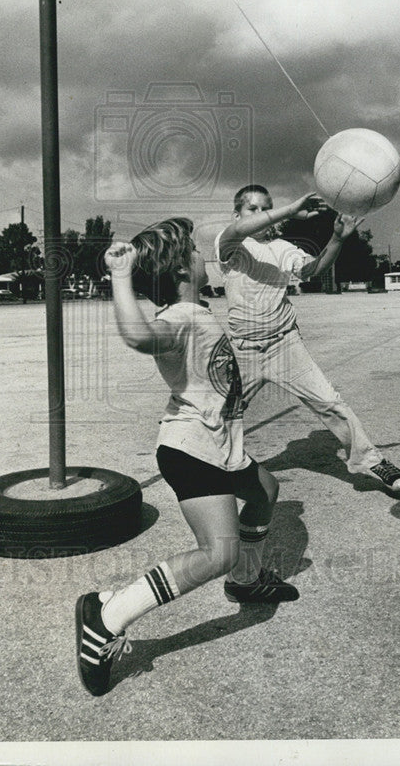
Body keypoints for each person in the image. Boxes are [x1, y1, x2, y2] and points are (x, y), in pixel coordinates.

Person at [76, 217, 298, 698]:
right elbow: (138, 338)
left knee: (266, 491)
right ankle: (106, 615)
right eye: (196, 251)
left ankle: (245, 581)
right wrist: (119, 276)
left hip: (216, 444)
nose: (204, 257)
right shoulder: (181, 316)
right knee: (217, 552)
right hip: (191, 449)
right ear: (181, 267)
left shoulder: (197, 312)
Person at [214, 185, 400, 492]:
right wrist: (290, 210)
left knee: (329, 401)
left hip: (284, 343)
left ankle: (369, 459)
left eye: (267, 207)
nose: (263, 215)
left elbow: (312, 269)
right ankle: (210, 466)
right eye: (254, 209)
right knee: (221, 413)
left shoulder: (283, 248)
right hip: (243, 351)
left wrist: (337, 239)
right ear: (237, 214)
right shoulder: (230, 245)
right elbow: (238, 231)